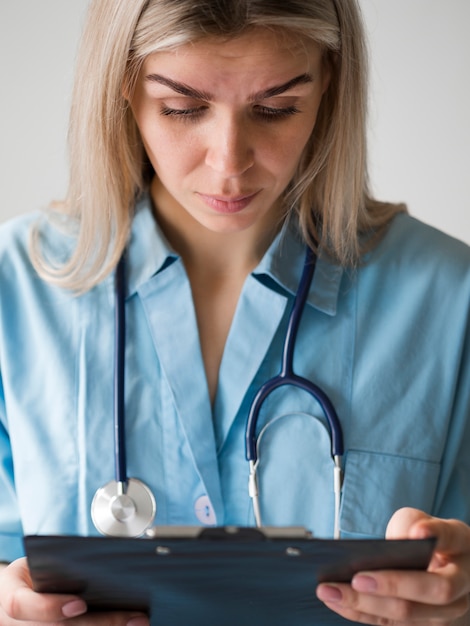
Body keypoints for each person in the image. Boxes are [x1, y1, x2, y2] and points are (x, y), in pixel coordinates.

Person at [0, 0, 469, 624]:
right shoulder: (15, 290)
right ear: (121, 87)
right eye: (182, 108)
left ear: (328, 82)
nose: (229, 163)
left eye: (276, 108)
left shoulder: (450, 299)